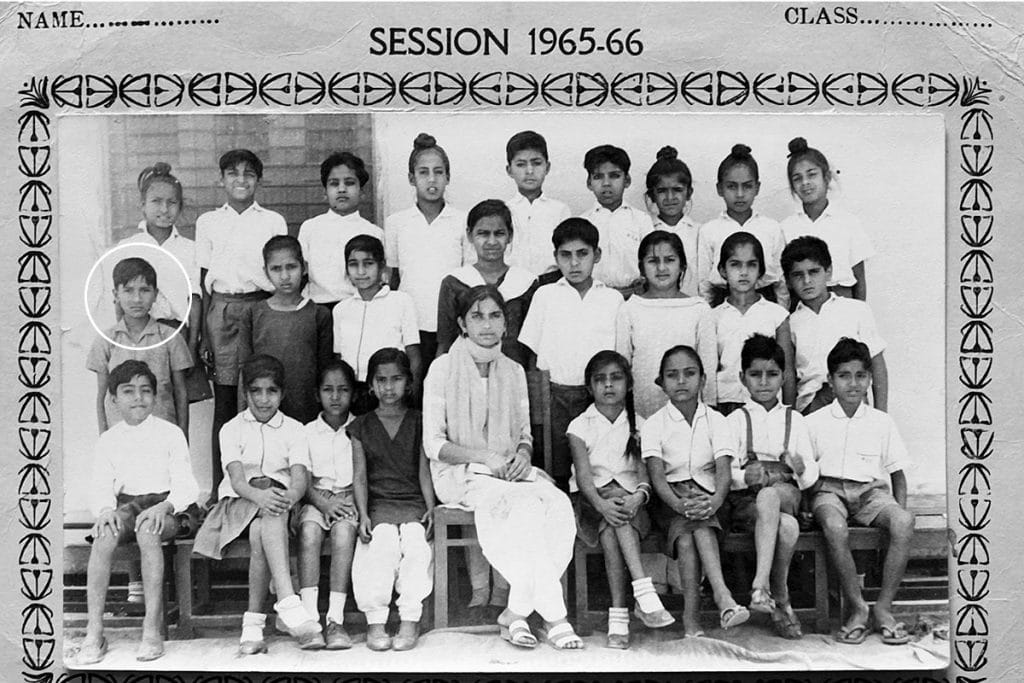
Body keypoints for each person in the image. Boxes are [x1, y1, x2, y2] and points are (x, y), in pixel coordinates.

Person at [425, 285, 583, 650]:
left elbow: (524, 435)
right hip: (461, 474)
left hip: (511, 470)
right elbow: (434, 445)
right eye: (477, 316)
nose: (487, 324)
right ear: (462, 323)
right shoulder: (442, 368)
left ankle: (515, 610)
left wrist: (524, 455)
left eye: (495, 315)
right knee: (525, 505)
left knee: (556, 504)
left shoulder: (512, 371)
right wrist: (484, 457)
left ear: (506, 323)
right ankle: (555, 616)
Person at [193, 355, 324, 653]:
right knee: (267, 512)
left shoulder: (295, 430)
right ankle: (289, 602)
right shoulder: (231, 429)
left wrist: (287, 499)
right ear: (245, 393)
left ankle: (252, 628)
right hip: (239, 505)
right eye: (256, 391)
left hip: (281, 506)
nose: (264, 399)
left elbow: (300, 481)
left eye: (272, 391)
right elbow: (238, 482)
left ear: (283, 393)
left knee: (264, 525)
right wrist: (262, 497)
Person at [77, 360, 199, 665]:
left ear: (155, 397)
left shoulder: (170, 434)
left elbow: (185, 484)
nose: (138, 397)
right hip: (128, 506)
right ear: (114, 400)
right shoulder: (109, 440)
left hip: (169, 506)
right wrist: (105, 510)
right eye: (128, 391)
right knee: (104, 534)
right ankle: (94, 631)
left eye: (145, 390)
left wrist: (165, 506)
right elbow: (101, 484)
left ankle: (151, 629)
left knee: (149, 531)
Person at [805, 338, 915, 645]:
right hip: (828, 491)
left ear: (869, 378)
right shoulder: (814, 422)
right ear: (830, 380)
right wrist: (806, 504)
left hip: (870, 492)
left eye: (860, 376)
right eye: (844, 376)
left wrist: (898, 512)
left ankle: (883, 608)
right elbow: (806, 476)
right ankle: (857, 608)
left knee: (904, 522)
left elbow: (897, 473)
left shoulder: (882, 422)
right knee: (834, 526)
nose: (853, 384)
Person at [195, 149, 287, 501]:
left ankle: (267, 484)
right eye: (233, 173)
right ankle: (223, 491)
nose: (241, 180)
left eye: (249, 173)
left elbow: (280, 267)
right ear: (222, 179)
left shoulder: (272, 221)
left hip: (261, 307)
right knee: (225, 402)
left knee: (262, 392)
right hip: (223, 310)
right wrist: (203, 330)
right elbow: (203, 279)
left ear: (258, 181)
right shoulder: (208, 222)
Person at [568, 350, 674, 649]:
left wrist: (637, 498)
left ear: (628, 384)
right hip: (592, 504)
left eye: (616, 378)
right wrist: (603, 503)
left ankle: (620, 616)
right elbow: (586, 479)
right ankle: (643, 592)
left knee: (616, 526)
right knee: (613, 516)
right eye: (600, 380)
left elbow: (644, 476)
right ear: (589, 388)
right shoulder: (579, 425)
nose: (608, 385)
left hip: (631, 506)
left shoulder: (640, 424)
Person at [642, 345, 748, 636]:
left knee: (690, 538)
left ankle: (692, 618)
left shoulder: (717, 420)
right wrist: (679, 505)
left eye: (689, 374)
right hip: (669, 502)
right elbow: (657, 478)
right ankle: (722, 596)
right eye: (672, 375)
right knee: (691, 529)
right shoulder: (654, 425)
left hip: (712, 498)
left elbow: (724, 474)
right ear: (661, 383)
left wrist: (713, 502)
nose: (681, 381)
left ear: (703, 379)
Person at [720, 334, 818, 639]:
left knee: (772, 495)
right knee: (786, 528)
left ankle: (759, 584)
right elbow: (724, 471)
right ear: (742, 378)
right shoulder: (734, 420)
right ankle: (782, 599)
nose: (764, 382)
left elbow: (811, 473)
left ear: (784, 377)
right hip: (748, 505)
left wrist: (801, 469)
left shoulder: (796, 420)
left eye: (772, 374)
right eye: (755, 375)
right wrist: (741, 477)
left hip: (787, 493)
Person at [518, 218, 623, 491]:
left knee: (595, 467)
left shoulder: (612, 299)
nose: (574, 263)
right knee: (555, 466)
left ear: (596, 255)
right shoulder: (545, 296)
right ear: (556, 258)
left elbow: (620, 357)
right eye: (566, 255)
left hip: (597, 397)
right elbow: (532, 354)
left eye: (582, 254)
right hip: (554, 396)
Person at [350, 348, 435, 651]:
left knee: (417, 546)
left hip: (413, 503)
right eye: (381, 380)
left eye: (396, 379)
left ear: (408, 383)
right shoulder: (361, 425)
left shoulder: (419, 421)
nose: (389, 387)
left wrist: (431, 508)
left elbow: (424, 471)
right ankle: (376, 622)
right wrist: (363, 515)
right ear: (371, 385)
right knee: (379, 546)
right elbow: (360, 476)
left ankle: (409, 620)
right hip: (379, 505)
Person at [385, 133, 467, 366]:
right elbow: (393, 277)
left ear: (448, 177)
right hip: (409, 326)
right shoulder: (396, 223)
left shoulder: (462, 221)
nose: (432, 179)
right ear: (411, 178)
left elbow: (467, 278)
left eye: (438, 172)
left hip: (451, 326)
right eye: (423, 172)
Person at [616, 230, 716, 418]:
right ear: (641, 267)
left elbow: (708, 368)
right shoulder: (630, 309)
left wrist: (708, 415)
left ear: (682, 265)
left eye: (669, 260)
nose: (661, 268)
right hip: (642, 415)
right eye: (653, 261)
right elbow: (622, 367)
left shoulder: (698, 309)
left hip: (691, 417)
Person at [782, 236, 888, 413]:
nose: (807, 281)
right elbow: (789, 378)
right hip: (811, 405)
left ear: (829, 272)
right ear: (788, 281)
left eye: (814, 272)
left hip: (854, 401)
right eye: (798, 275)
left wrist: (881, 414)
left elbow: (877, 364)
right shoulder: (790, 323)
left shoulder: (856, 310)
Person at [87, 257, 192, 435]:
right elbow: (102, 395)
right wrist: (104, 437)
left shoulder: (170, 338)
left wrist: (182, 440)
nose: (137, 299)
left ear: (155, 294)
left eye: (144, 290)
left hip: (162, 436)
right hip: (120, 436)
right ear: (115, 295)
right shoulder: (106, 340)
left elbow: (181, 394)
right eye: (128, 291)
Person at [297, 360, 360, 650]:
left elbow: (362, 477)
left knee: (344, 533)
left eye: (343, 390)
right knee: (309, 532)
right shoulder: (305, 432)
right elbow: (304, 481)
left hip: (348, 497)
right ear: (317, 394)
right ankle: (310, 619)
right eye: (328, 390)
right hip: (315, 497)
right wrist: (322, 504)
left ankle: (335, 619)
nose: (335, 397)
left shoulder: (360, 430)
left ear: (354, 394)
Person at [237, 235, 334, 424]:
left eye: (291, 267)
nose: (284, 276)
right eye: (276, 269)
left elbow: (324, 371)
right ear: (266, 272)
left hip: (306, 411)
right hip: (263, 411)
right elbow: (244, 370)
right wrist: (243, 417)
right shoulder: (253, 313)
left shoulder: (319, 315)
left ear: (304, 267)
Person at [436, 199, 536, 367]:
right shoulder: (454, 283)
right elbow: (445, 343)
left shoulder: (526, 283)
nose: (491, 242)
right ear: (469, 235)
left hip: (513, 376)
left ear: (510, 235)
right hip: (464, 374)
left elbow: (532, 347)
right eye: (483, 233)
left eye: (499, 233)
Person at [118, 162, 202, 355]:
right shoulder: (128, 247)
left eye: (172, 202)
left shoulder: (191, 249)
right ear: (143, 206)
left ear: (180, 207)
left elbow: (195, 300)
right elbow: (118, 301)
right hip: (138, 337)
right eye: (156, 201)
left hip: (179, 335)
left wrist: (191, 346)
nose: (164, 209)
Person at [710, 232, 796, 414]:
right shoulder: (713, 317)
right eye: (735, 265)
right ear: (723, 270)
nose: (743, 272)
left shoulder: (777, 315)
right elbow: (709, 370)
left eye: (751, 265)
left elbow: (787, 370)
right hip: (725, 404)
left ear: (761, 271)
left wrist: (788, 413)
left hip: (768, 405)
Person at [333, 234, 421, 411]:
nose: (361, 271)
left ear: (382, 266)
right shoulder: (341, 309)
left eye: (368, 264)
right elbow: (339, 357)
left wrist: (412, 395)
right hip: (355, 393)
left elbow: (414, 356)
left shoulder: (401, 301)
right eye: (353, 265)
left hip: (389, 391)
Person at [781, 136, 874, 300]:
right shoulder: (786, 228)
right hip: (803, 307)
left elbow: (859, 278)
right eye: (797, 178)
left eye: (811, 175)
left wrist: (860, 312)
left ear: (826, 178)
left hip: (843, 302)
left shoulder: (848, 223)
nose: (805, 183)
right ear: (793, 187)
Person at [698, 144, 788, 308]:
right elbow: (704, 284)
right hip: (723, 302)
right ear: (720, 188)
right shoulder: (709, 230)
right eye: (732, 186)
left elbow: (781, 281)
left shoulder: (772, 228)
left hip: (765, 301)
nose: (740, 194)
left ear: (757, 188)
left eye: (747, 186)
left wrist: (781, 313)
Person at [298, 151, 383, 313]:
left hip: (358, 309)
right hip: (319, 309)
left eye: (350, 183)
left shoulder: (373, 233)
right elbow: (302, 275)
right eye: (334, 184)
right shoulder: (310, 228)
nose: (342, 189)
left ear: (362, 191)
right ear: (325, 192)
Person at [579, 144, 654, 294]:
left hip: (635, 294)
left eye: (614, 175)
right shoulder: (583, 223)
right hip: (596, 296)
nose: (606, 183)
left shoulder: (641, 220)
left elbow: (651, 260)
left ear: (627, 180)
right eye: (598, 177)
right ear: (589, 183)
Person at [503, 130, 572, 276]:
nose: (529, 171)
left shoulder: (560, 210)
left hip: (551, 284)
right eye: (521, 164)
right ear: (509, 170)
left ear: (547, 167)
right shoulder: (504, 211)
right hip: (512, 286)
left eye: (536, 163)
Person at [644, 146, 700, 297]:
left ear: (689, 193)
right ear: (652, 195)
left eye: (677, 190)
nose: (670, 198)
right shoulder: (645, 230)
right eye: (662, 191)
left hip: (693, 307)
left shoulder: (700, 233)